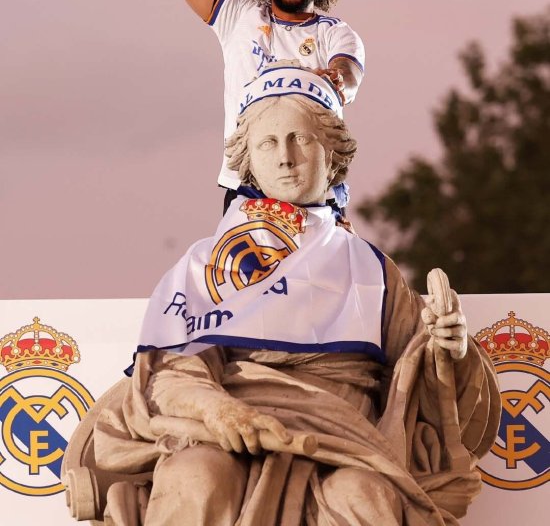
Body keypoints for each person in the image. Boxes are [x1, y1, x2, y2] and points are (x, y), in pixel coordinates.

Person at [91, 67, 500, 526]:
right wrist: (218, 410)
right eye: (268, 143)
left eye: (300, 139)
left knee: (364, 495)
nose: (285, 158)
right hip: (228, 433)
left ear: (332, 154)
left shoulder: (370, 268)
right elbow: (171, 371)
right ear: (248, 160)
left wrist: (451, 351)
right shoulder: (206, 262)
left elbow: (418, 377)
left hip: (346, 443)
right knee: (195, 476)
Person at [165, 0, 365, 203]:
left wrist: (337, 79)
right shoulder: (238, 15)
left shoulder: (334, 32)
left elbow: (348, 72)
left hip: (313, 190)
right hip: (247, 187)